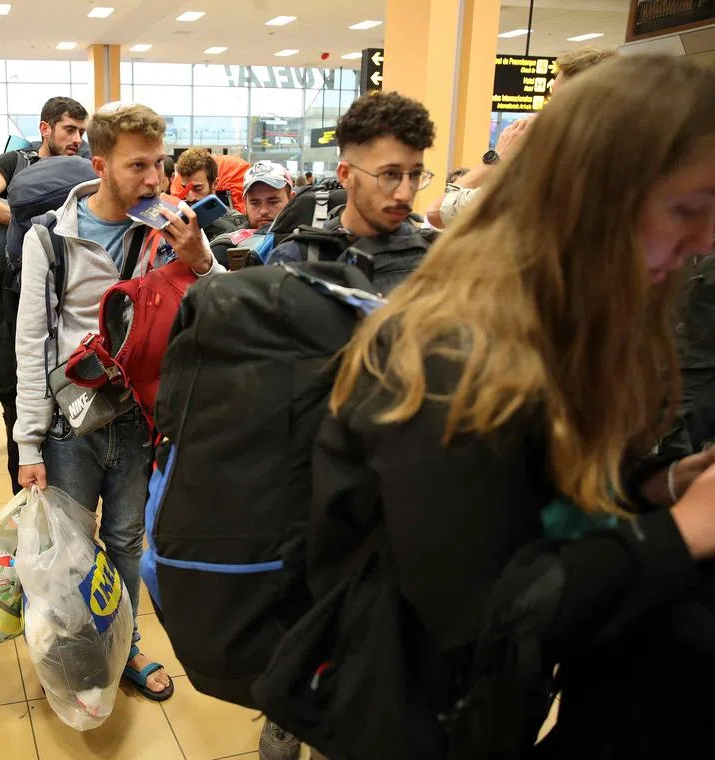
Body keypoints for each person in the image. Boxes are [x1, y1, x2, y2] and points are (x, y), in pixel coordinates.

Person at [311, 55, 715, 757]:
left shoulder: (565, 319)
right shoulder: (449, 350)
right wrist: (683, 531)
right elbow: (484, 614)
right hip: (408, 706)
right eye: (686, 209)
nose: (705, 241)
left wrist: (655, 487)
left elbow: (543, 499)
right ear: (592, 196)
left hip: (487, 700)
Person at [15, 101, 223, 703]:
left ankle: (124, 643)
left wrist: (198, 260)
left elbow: (213, 313)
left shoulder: (166, 231)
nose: (155, 180)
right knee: (70, 546)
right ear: (100, 164)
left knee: (129, 538)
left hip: (136, 415)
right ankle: (75, 649)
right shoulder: (50, 239)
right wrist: (28, 440)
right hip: (69, 421)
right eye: (139, 166)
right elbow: (31, 342)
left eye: (160, 164)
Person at [0, 95, 89, 494]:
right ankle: (27, 498)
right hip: (13, 301)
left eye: (82, 131)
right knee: (17, 396)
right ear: (45, 128)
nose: (77, 139)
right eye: (69, 129)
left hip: (68, 297)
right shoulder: (18, 163)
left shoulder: (83, 170)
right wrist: (30, 219)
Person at [266, 91, 438, 294]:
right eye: (390, 175)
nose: (405, 194)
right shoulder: (296, 261)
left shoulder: (435, 260)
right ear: (345, 175)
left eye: (416, 175)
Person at [429, 47, 619, 228]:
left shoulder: (540, 185)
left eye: (556, 100)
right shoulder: (634, 179)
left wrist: (495, 160)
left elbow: (436, 214)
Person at [174, 147, 247, 239]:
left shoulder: (236, 226)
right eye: (185, 189)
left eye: (197, 188)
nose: (190, 197)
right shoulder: (177, 219)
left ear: (214, 184)